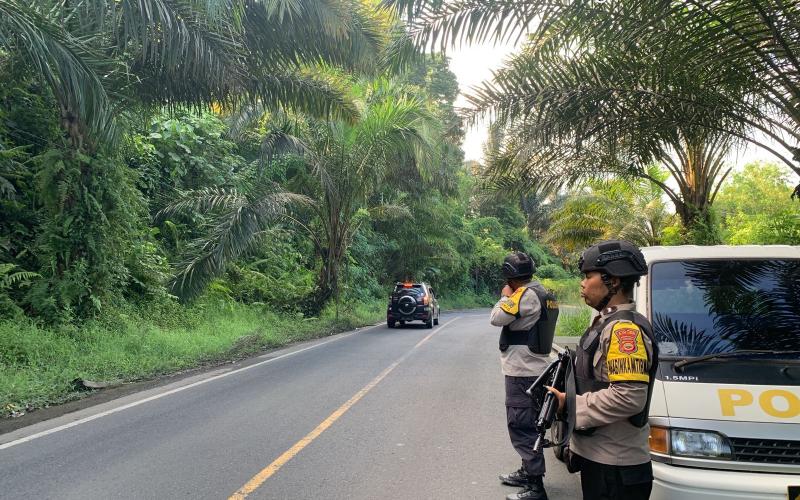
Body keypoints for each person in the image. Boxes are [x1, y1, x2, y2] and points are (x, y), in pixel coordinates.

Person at [547, 240, 657, 500]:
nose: (582, 283)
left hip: (616, 470)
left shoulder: (623, 331)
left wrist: (568, 404)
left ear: (614, 281)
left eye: (588, 276)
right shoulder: (605, 322)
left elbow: (629, 397)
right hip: (603, 462)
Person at [490, 252, 559, 500]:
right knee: (530, 423)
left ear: (510, 276)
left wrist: (504, 297)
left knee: (521, 425)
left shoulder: (523, 295)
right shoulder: (545, 293)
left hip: (522, 372)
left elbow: (497, 318)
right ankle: (527, 471)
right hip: (537, 369)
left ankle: (535, 486)